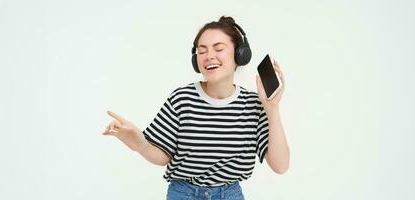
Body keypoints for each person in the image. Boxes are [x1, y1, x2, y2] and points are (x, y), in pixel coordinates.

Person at [103, 16, 289, 200]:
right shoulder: (182, 98)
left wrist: (272, 108)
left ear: (240, 54)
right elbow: (163, 157)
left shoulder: (254, 105)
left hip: (230, 195)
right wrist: (140, 145)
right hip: (183, 194)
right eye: (202, 51)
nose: (209, 56)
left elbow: (280, 166)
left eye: (218, 48)